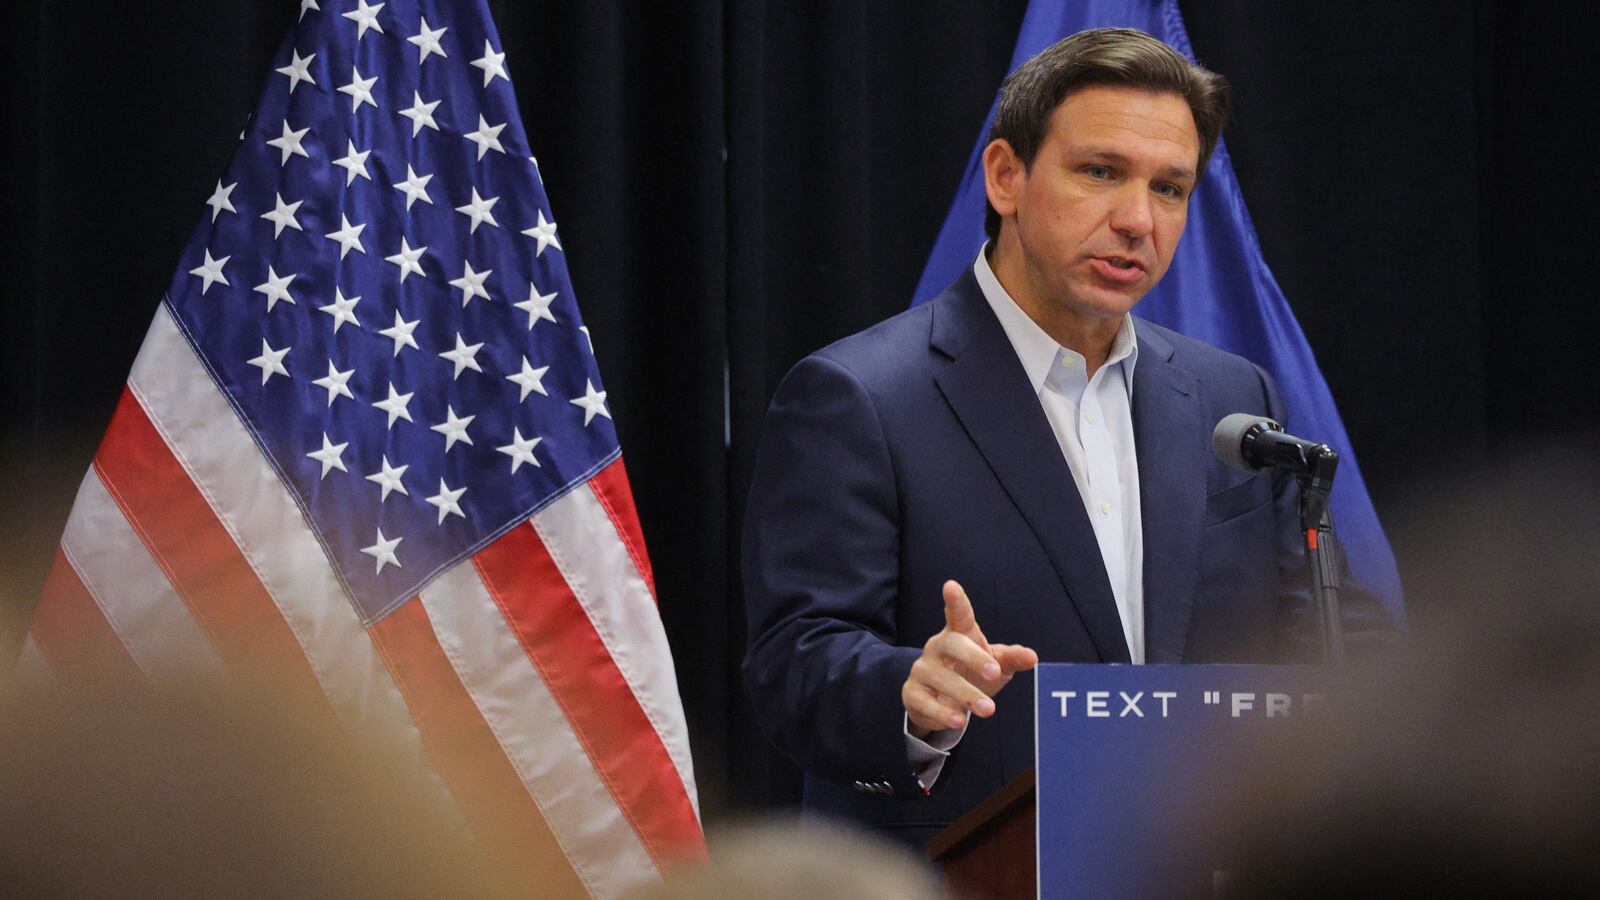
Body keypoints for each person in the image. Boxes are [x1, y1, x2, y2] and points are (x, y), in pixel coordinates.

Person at [741, 27, 1384, 847]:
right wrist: (910, 689)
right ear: (1006, 176)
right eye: (1101, 172)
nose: (1136, 220)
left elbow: (1312, 621)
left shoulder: (1229, 395)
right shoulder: (860, 396)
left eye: (1170, 188)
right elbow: (795, 665)